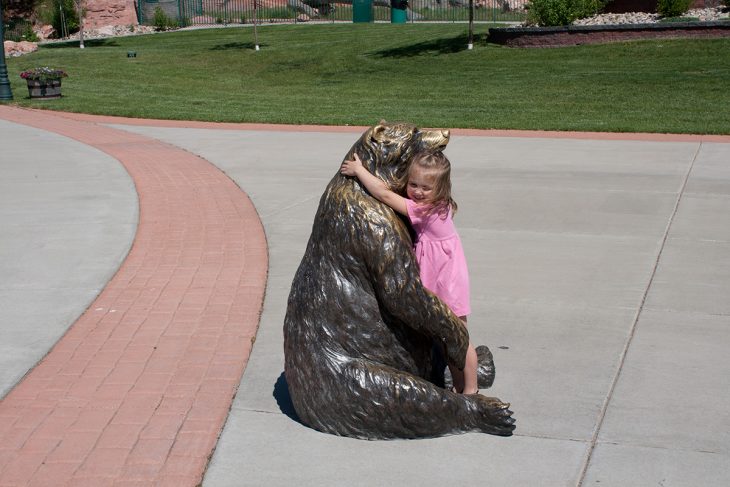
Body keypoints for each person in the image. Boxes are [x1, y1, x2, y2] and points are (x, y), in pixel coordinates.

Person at [340, 151, 479, 395]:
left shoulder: (426, 210)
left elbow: (383, 194)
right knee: (449, 339)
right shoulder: (434, 204)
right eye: (413, 184)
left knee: (459, 338)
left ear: (441, 189)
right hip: (442, 275)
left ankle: (472, 390)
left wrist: (359, 171)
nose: (417, 191)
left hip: (448, 281)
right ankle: (459, 386)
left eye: (426, 187)